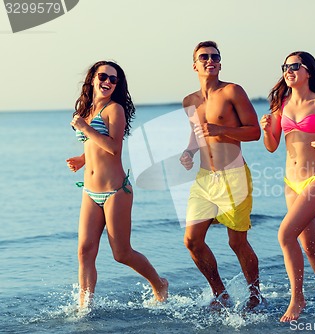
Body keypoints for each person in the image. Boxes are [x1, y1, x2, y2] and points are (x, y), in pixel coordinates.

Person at [66, 60, 168, 307]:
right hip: (90, 192)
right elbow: (94, 146)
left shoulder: (115, 110)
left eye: (114, 79)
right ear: (92, 78)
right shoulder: (87, 110)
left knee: (121, 254)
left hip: (115, 191)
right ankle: (84, 307)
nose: (108, 82)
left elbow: (113, 147)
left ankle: (159, 283)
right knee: (85, 251)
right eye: (103, 76)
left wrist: (84, 127)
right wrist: (82, 159)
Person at [178, 41, 264, 310]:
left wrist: (220, 130)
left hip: (233, 175)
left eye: (215, 56)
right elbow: (197, 135)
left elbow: (254, 132)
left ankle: (255, 294)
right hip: (205, 178)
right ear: (195, 65)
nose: (210, 60)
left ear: (220, 63)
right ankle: (220, 293)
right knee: (192, 240)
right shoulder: (189, 101)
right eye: (204, 57)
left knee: (236, 241)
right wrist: (189, 152)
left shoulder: (232, 91)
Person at [261, 51, 315, 322]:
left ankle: (297, 298)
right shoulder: (280, 105)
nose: (289, 70)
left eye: (295, 66)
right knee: (310, 245)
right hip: (291, 183)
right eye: (285, 66)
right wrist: (266, 130)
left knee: (285, 235)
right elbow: (272, 147)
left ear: (308, 71)